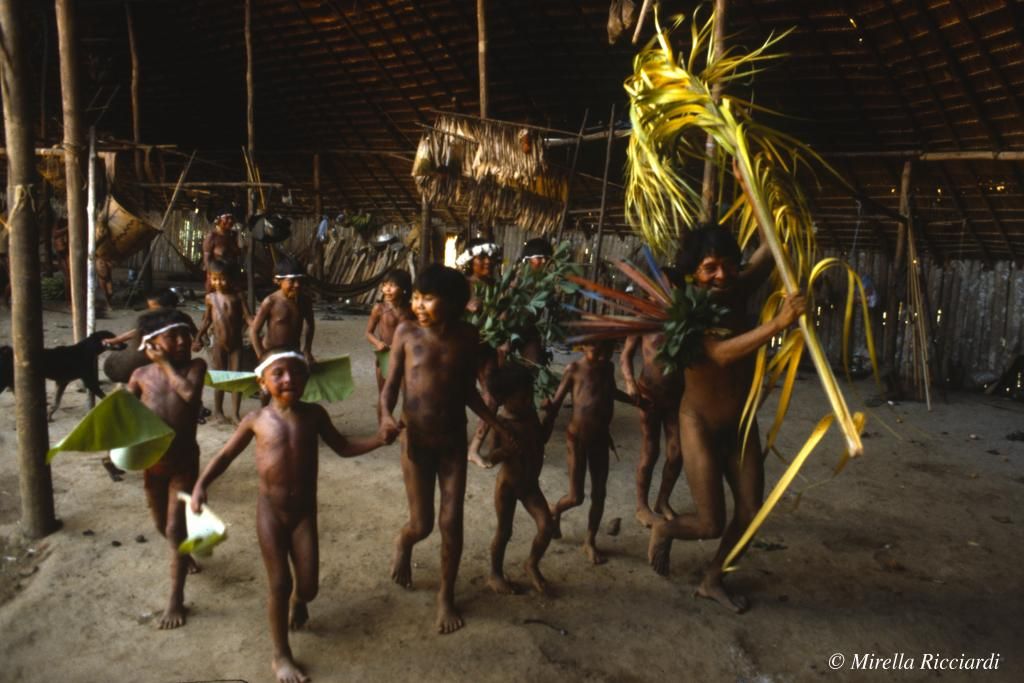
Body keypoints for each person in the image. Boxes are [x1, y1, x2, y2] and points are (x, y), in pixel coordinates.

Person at [192, 350, 397, 683]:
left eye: (298, 374)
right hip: (270, 513)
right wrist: (202, 484)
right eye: (280, 373)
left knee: (309, 586)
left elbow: (343, 447)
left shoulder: (314, 415)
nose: (289, 380)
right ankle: (281, 656)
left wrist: (378, 440)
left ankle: (301, 603)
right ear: (263, 381)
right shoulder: (255, 420)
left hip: (304, 515)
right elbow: (226, 454)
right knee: (279, 583)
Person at [647, 224, 805, 613]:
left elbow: (770, 241)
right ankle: (665, 527)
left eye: (729, 265)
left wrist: (750, 181)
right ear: (693, 273)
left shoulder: (740, 286)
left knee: (751, 513)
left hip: (740, 423)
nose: (722, 274)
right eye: (709, 267)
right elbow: (717, 354)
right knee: (710, 523)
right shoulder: (683, 309)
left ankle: (712, 578)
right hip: (698, 423)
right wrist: (778, 325)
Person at [378, 264, 513, 634]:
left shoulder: (468, 338)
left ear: (453, 303)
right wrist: (386, 417)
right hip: (416, 443)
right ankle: (404, 543)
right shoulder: (405, 333)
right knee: (421, 525)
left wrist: (494, 420)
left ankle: (445, 596)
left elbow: (468, 391)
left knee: (451, 523)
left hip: (453, 443)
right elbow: (390, 387)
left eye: (428, 298)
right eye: (417, 296)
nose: (418, 304)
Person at [126, 308, 207, 629]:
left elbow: (189, 398)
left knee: (175, 529)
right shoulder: (140, 377)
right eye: (172, 336)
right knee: (162, 525)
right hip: (152, 466)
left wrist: (165, 365)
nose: (182, 341)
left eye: (185, 334)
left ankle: (176, 599)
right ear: (152, 344)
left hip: (184, 463)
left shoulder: (195, 368)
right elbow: (123, 415)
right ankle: (183, 553)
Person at [543, 339, 636, 565]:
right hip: (577, 439)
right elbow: (556, 403)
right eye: (594, 346)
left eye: (603, 346)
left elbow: (611, 392)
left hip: (601, 439)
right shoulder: (574, 369)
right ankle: (554, 510)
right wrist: (548, 411)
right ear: (582, 347)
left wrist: (636, 401)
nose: (600, 350)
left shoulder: (608, 367)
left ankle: (590, 541)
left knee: (600, 493)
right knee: (576, 497)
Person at [620, 267, 685, 528]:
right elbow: (625, 356)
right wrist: (629, 383)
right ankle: (641, 505)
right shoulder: (643, 317)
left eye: (671, 286)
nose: (665, 291)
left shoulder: (684, 320)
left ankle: (663, 501)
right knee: (650, 451)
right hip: (648, 393)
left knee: (677, 452)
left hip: (677, 395)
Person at [484, 363, 554, 595]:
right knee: (504, 532)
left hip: (530, 485)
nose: (527, 401)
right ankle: (495, 573)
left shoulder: (530, 414)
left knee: (546, 526)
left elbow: (541, 438)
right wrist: (504, 453)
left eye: (529, 395)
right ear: (504, 399)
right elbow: (489, 458)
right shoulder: (501, 424)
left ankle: (531, 563)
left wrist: (550, 417)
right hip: (508, 486)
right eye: (521, 397)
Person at [193, 259, 254, 424]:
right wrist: (198, 338)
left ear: (231, 279)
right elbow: (206, 321)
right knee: (219, 377)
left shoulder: (239, 296)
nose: (218, 282)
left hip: (236, 344)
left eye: (222, 278)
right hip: (219, 343)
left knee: (237, 378)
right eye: (214, 278)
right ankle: (218, 411)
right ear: (210, 279)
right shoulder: (210, 298)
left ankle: (235, 414)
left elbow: (248, 317)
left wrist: (256, 325)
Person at [251, 258, 316, 367]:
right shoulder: (270, 302)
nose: (297, 285)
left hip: (294, 351)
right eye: (291, 281)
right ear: (277, 281)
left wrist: (307, 350)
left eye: (299, 280)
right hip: (271, 352)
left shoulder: (305, 301)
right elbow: (254, 332)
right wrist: (261, 356)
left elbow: (310, 325)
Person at [364, 269, 413, 391]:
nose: (387, 289)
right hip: (385, 355)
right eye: (385, 285)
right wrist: (378, 343)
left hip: (405, 354)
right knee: (384, 394)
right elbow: (368, 333)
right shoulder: (379, 308)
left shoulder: (411, 310)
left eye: (392, 286)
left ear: (404, 288)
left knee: (408, 393)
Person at [202, 211, 242, 291]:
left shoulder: (233, 236)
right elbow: (207, 260)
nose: (230, 221)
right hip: (218, 276)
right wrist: (213, 277)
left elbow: (238, 253)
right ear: (218, 220)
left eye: (231, 218)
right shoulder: (212, 236)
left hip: (232, 275)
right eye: (227, 218)